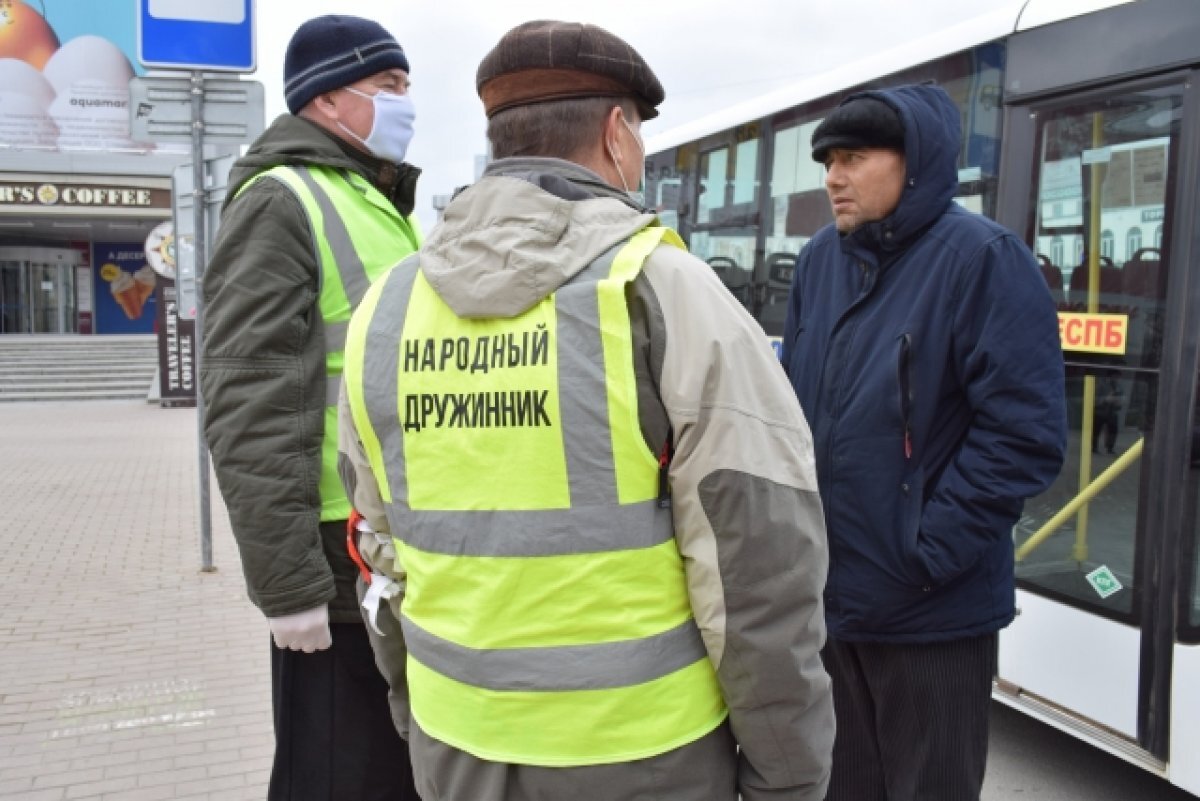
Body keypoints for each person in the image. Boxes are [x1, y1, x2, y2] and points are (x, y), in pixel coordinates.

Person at [337, 19, 834, 801]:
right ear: (614, 134)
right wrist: (789, 771)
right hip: (645, 754)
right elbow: (758, 563)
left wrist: (414, 707)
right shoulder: (662, 289)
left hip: (457, 745)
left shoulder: (386, 309)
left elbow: (378, 553)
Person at [780, 85, 1067, 801]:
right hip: (832, 597)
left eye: (853, 158)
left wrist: (927, 552)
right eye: (827, 162)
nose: (833, 178)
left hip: (932, 610)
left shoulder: (984, 258)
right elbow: (796, 409)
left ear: (915, 162)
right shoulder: (820, 260)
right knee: (839, 785)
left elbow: (1023, 436)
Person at [200, 14, 422, 801]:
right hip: (331, 561)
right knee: (332, 773)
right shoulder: (281, 199)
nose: (405, 103)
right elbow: (246, 400)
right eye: (389, 86)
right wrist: (289, 586)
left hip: (382, 547)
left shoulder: (375, 198)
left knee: (384, 771)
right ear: (327, 98)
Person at [1094, 369, 1123, 454]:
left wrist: (1119, 402)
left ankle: (1110, 447)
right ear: (1111, 376)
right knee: (1096, 430)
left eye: (1118, 378)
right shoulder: (1101, 385)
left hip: (1112, 412)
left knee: (1113, 430)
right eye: (1116, 377)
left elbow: (1121, 398)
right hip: (1100, 412)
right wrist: (1105, 400)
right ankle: (1094, 447)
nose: (1117, 379)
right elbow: (1094, 399)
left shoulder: (1118, 387)